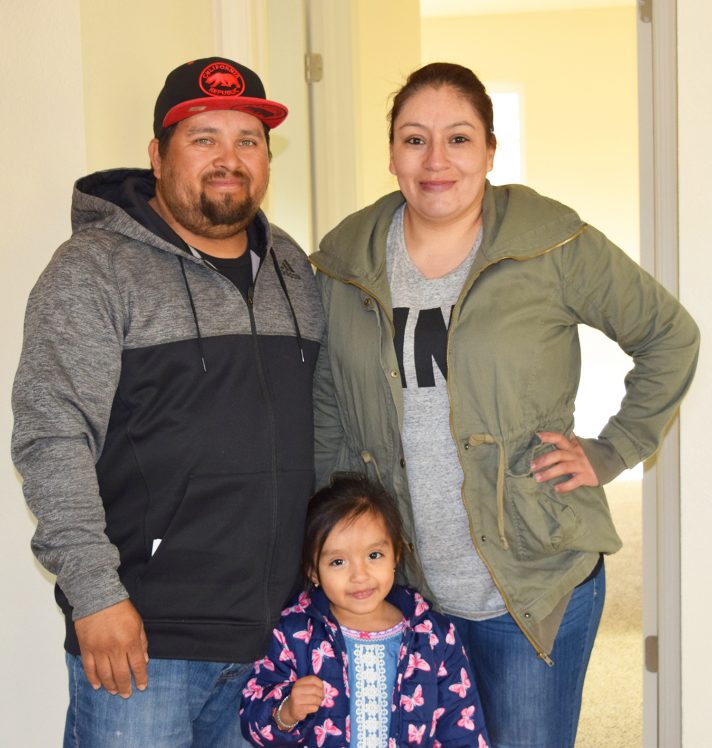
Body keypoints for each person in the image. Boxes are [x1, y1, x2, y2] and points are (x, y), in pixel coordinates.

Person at [309, 62, 700, 748]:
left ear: (490, 151)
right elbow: (328, 412)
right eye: (414, 139)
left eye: (459, 139)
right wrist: (328, 552)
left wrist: (614, 450)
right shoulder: (345, 262)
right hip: (404, 588)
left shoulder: (551, 243)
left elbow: (669, 335)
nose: (436, 161)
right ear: (391, 152)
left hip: (531, 580)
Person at [11, 56, 324, 747]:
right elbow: (51, 436)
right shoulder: (94, 270)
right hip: (145, 641)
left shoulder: (295, 271)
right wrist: (95, 596)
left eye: (247, 139)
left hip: (276, 639)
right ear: (157, 155)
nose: (229, 158)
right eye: (202, 137)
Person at [240, 473, 490, 747]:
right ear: (313, 570)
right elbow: (254, 725)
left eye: (374, 555)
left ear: (395, 554)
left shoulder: (435, 637)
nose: (360, 575)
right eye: (338, 561)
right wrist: (286, 712)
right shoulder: (294, 635)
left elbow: (463, 731)